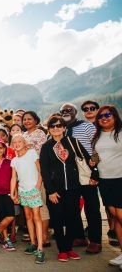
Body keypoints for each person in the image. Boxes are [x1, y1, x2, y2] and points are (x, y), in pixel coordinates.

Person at [40, 115, 88, 262]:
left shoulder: (73, 142)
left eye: (59, 125)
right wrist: (50, 191)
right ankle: (62, 250)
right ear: (49, 129)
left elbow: (88, 157)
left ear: (64, 128)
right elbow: (45, 171)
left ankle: (69, 248)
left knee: (73, 218)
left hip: (74, 188)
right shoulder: (46, 147)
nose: (56, 128)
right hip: (56, 190)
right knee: (58, 219)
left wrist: (97, 172)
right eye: (53, 126)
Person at [61, 103, 102, 252]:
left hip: (87, 172)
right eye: (63, 111)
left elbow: (98, 148)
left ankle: (96, 241)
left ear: (75, 112)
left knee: (92, 208)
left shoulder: (87, 126)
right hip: (71, 175)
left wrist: (95, 171)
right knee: (72, 208)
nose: (66, 112)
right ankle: (79, 237)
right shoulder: (61, 129)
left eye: (69, 110)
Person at [91, 106, 122, 267]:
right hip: (105, 180)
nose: (104, 117)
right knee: (114, 215)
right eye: (101, 116)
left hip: (120, 178)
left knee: (121, 215)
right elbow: (96, 156)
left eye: (108, 115)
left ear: (115, 116)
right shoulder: (97, 136)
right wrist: (93, 161)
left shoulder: (120, 133)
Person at [10, 134, 45, 264]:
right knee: (28, 217)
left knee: (37, 217)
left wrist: (38, 185)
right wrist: (12, 192)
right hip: (23, 191)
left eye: (20, 141)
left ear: (24, 143)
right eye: (15, 142)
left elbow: (41, 171)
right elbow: (14, 178)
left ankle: (40, 249)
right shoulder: (14, 161)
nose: (17, 144)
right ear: (12, 145)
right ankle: (33, 243)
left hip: (34, 190)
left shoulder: (31, 153)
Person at [22, 111, 50, 247]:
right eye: (24, 119)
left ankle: (44, 235)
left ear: (36, 120)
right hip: (25, 175)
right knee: (29, 207)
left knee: (40, 204)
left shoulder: (40, 133)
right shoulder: (23, 135)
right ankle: (35, 234)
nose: (27, 121)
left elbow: (41, 153)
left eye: (29, 119)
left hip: (37, 173)